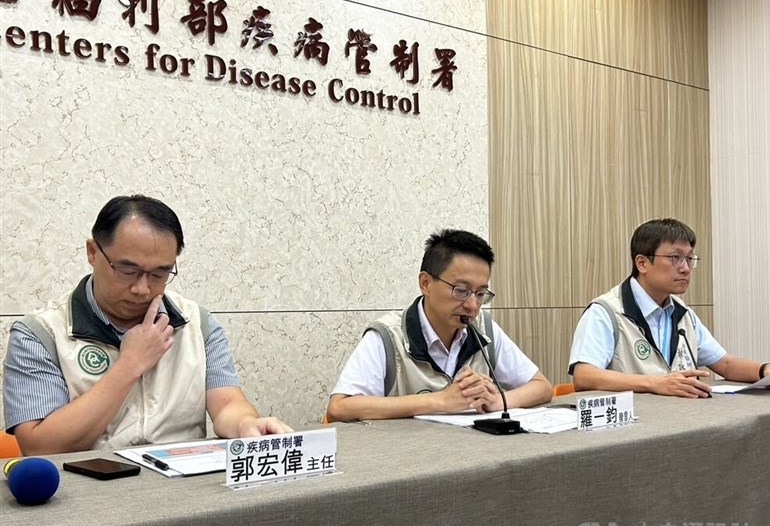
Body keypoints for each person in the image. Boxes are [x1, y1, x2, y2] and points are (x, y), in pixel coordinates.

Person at [3, 195, 292, 455]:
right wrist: (129, 365)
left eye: (159, 274)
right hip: (84, 496)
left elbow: (227, 403)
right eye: (128, 270)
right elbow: (41, 446)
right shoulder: (40, 334)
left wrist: (246, 424)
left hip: (181, 486)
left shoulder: (197, 324)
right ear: (93, 252)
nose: (142, 289)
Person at [326, 229, 552, 421]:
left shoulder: (484, 329)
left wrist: (498, 401)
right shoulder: (388, 336)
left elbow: (541, 387)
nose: (472, 305)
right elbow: (340, 408)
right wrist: (439, 400)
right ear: (426, 283)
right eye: (461, 291)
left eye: (481, 293)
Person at [568, 218, 770, 397]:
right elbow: (584, 376)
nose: (686, 268)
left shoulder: (681, 311)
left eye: (689, 259)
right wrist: (656, 383)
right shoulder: (606, 311)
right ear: (642, 263)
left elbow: (724, 364)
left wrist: (765, 371)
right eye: (675, 258)